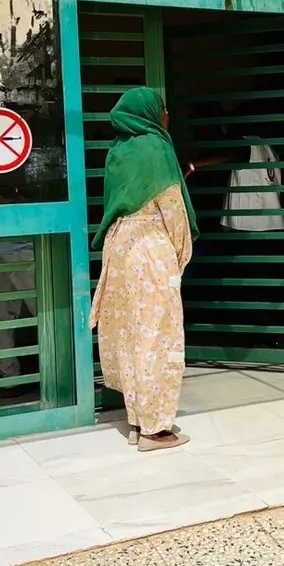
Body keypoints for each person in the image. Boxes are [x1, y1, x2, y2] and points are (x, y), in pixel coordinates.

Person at [89, 87, 199, 452]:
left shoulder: (118, 150)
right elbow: (173, 208)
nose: (167, 116)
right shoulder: (156, 146)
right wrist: (180, 258)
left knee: (132, 334)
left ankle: (138, 420)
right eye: (163, 109)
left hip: (119, 251)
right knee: (159, 333)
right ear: (151, 113)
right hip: (151, 249)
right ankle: (156, 429)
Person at [0, 239, 37, 383]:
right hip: (22, 247)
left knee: (3, 316)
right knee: (47, 311)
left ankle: (10, 378)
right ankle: (66, 374)